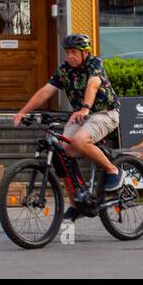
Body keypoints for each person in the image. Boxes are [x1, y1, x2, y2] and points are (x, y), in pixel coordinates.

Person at [12, 33, 122, 215]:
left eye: (74, 52)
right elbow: (46, 91)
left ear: (85, 53)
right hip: (82, 116)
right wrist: (23, 111)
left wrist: (85, 108)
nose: (70, 56)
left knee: (79, 141)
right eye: (67, 52)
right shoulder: (65, 69)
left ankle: (113, 170)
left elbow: (93, 85)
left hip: (105, 113)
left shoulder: (95, 64)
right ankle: (77, 202)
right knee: (63, 151)